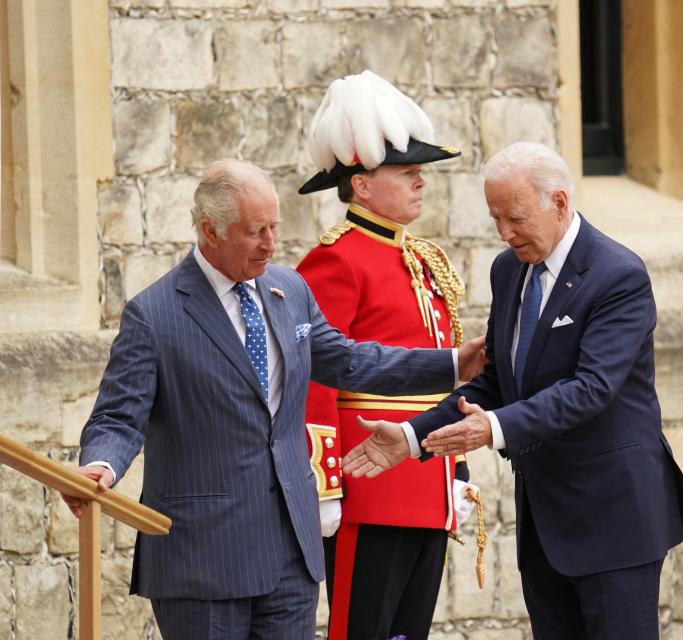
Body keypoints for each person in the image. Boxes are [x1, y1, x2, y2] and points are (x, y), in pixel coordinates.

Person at [60, 159, 484, 639]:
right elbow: (118, 416)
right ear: (210, 231)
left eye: (275, 226)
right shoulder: (153, 315)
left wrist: (451, 364)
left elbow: (349, 361)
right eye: (255, 231)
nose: (270, 243)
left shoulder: (290, 288)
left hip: (289, 555)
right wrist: (101, 465)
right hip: (203, 559)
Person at [342, 142, 683, 639]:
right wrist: (412, 437)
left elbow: (591, 388)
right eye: (495, 218)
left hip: (614, 519)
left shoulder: (617, 275)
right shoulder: (508, 270)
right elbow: (496, 381)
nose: (504, 233)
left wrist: (492, 429)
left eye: (514, 217)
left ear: (559, 203)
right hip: (544, 521)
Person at [295, 70, 479, 640]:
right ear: (363, 185)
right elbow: (316, 379)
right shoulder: (336, 260)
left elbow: (448, 377)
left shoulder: (423, 259)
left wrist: (459, 468)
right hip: (368, 487)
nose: (421, 182)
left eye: (420, 171)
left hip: (426, 478)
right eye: (406, 172)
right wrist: (325, 484)